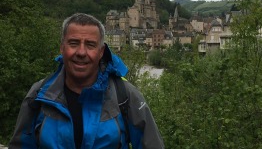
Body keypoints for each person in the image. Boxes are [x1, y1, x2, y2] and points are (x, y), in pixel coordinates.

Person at [9, 13, 164, 149]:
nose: (81, 52)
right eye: (74, 43)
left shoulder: (126, 96)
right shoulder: (39, 94)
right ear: (62, 47)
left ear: (101, 52)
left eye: (90, 45)